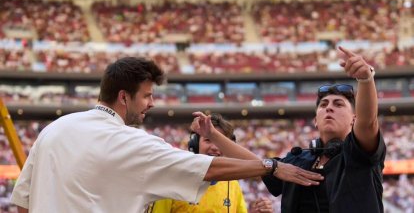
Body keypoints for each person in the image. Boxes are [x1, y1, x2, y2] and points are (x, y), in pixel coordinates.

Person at [11, 57, 323, 213]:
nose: (152, 103)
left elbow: (23, 204)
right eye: (146, 95)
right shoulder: (131, 142)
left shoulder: (53, 130)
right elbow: (208, 168)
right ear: (124, 97)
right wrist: (270, 166)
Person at [190, 46, 386, 213]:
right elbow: (258, 166)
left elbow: (368, 123)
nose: (329, 107)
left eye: (339, 104)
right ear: (315, 121)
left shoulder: (359, 154)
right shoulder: (301, 159)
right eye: (323, 104)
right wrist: (212, 135)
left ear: (354, 119)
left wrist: (366, 80)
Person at [151, 113, 273, 213]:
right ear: (194, 145)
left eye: (220, 141)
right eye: (208, 140)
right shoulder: (172, 180)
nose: (215, 147)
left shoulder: (233, 184)